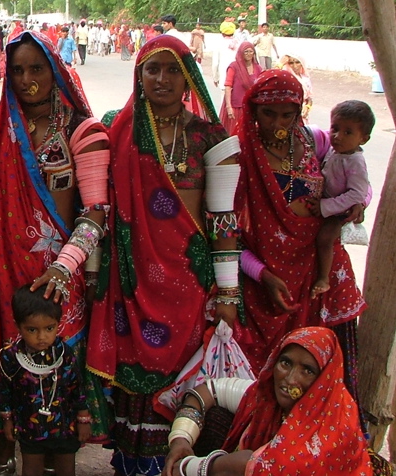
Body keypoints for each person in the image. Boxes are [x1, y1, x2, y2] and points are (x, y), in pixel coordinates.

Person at [0, 31, 111, 475]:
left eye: (36, 68)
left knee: (55, 375)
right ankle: (4, 463)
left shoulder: (82, 131)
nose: (26, 79)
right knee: (6, 364)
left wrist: (63, 267)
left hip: (55, 276)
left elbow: (96, 213)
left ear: (55, 70)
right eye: (16, 70)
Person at [87, 35, 241, 475]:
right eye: (152, 69)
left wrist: (228, 293)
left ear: (189, 76)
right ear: (139, 75)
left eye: (173, 69)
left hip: (188, 283)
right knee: (133, 374)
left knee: (180, 376)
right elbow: (96, 202)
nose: (162, 79)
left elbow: (223, 220)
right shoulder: (117, 128)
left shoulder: (211, 137)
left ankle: (176, 463)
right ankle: (131, 463)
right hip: (130, 279)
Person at [233, 69, 365, 410]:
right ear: (253, 110)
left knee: (319, 375)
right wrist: (262, 274)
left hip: (318, 274)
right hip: (267, 283)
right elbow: (226, 234)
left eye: (287, 114)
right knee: (266, 383)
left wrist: (359, 203)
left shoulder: (315, 140)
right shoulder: (239, 155)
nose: (278, 123)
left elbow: (353, 176)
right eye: (268, 113)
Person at [163, 327, 387, 476]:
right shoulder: (266, 398)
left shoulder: (332, 424)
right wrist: (181, 439)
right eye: (285, 363)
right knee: (215, 419)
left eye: (307, 370)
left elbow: (247, 465)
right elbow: (208, 390)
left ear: (324, 379)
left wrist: (185, 468)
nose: (290, 379)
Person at [0, 285, 92, 476]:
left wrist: (83, 420)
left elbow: (77, 387)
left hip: (64, 426)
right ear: (18, 326)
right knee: (31, 470)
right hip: (30, 427)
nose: (42, 337)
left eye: (49, 328)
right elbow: (4, 391)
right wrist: (7, 420)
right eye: (32, 330)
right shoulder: (11, 357)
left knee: (66, 470)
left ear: (58, 324)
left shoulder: (64, 354)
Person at [308, 100, 373, 298]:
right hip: (327, 201)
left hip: (338, 210)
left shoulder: (355, 162)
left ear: (363, 139)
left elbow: (357, 193)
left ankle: (323, 279)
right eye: (334, 129)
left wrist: (326, 206)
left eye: (348, 132)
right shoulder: (334, 150)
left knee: (325, 239)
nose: (337, 136)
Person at [220, 41, 262, 135]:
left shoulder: (258, 68)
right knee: (235, 135)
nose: (248, 54)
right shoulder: (234, 67)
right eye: (246, 51)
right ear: (241, 53)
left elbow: (260, 88)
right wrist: (229, 107)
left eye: (251, 51)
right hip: (236, 107)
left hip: (251, 107)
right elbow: (228, 86)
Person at [281, 53, 313, 122]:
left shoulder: (305, 78)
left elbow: (309, 98)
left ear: (302, 63)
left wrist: (307, 107)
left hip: (304, 113)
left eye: (297, 62)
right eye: (291, 63)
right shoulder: (286, 79)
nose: (295, 66)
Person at [212, 21, 238, 92]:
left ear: (222, 33)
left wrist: (215, 78)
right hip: (237, 79)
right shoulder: (238, 43)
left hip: (224, 79)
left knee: (224, 97)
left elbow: (215, 64)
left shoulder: (218, 43)